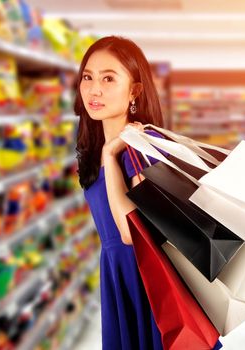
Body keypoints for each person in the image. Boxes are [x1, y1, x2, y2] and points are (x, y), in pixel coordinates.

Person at [74, 36, 165, 350]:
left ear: (134, 91)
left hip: (147, 283)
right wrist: (105, 153)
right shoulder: (91, 150)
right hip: (117, 275)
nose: (94, 89)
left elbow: (132, 232)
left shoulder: (144, 149)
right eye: (88, 77)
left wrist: (112, 158)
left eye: (108, 78)